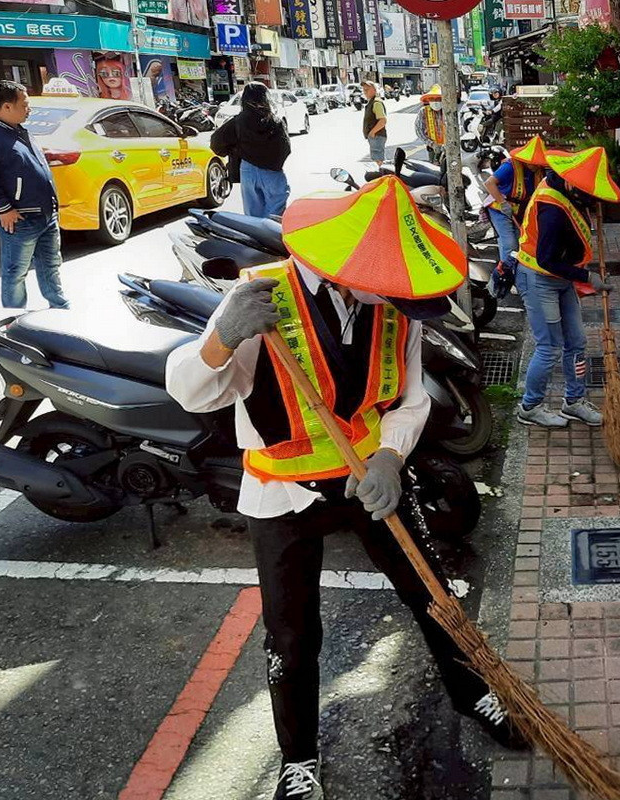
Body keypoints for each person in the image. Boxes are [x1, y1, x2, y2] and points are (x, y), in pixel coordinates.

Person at [166, 182, 524, 800]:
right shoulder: (261, 300)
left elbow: (410, 398)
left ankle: (474, 695)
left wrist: (390, 455)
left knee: (431, 591)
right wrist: (221, 335)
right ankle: (298, 758)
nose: (400, 301)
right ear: (352, 271)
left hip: (369, 480)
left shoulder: (395, 307)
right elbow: (193, 392)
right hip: (283, 491)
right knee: (292, 632)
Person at [513, 147, 620, 429]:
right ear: (573, 186)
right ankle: (531, 406)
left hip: (561, 279)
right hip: (539, 279)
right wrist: (587, 277)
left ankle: (574, 401)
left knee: (576, 342)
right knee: (549, 347)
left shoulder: (563, 184)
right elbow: (546, 260)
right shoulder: (552, 210)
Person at [0, 80, 69, 310]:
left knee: (51, 265)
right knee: (16, 272)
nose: (29, 109)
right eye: (24, 105)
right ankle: (14, 320)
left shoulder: (19, 129)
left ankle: (60, 308)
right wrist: (3, 208)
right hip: (19, 218)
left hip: (45, 213)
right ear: (6, 107)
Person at [210, 82, 291, 218]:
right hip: (272, 172)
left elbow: (216, 143)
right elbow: (286, 148)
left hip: (248, 171)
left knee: (253, 217)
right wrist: (272, 163)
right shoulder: (275, 121)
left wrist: (236, 150)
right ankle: (272, 236)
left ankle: (258, 238)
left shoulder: (237, 122)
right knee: (276, 215)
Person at [482, 135, 548, 294]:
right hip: (499, 208)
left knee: (523, 242)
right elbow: (489, 183)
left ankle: (520, 276)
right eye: (534, 163)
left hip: (519, 210)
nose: (536, 166)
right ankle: (503, 279)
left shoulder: (538, 171)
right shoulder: (510, 167)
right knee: (509, 243)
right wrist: (503, 203)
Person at [415, 84, 445, 164]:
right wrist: (431, 143)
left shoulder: (447, 111)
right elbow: (418, 130)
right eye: (433, 99)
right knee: (434, 169)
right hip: (432, 148)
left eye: (438, 99)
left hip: (448, 147)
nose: (435, 101)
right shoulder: (423, 111)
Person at [361, 80, 387, 166]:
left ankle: (382, 177)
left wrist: (372, 132)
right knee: (377, 159)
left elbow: (382, 120)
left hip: (377, 136)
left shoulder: (376, 102)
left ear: (375, 90)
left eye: (367, 89)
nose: (365, 92)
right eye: (364, 90)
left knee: (378, 160)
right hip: (375, 136)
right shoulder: (372, 102)